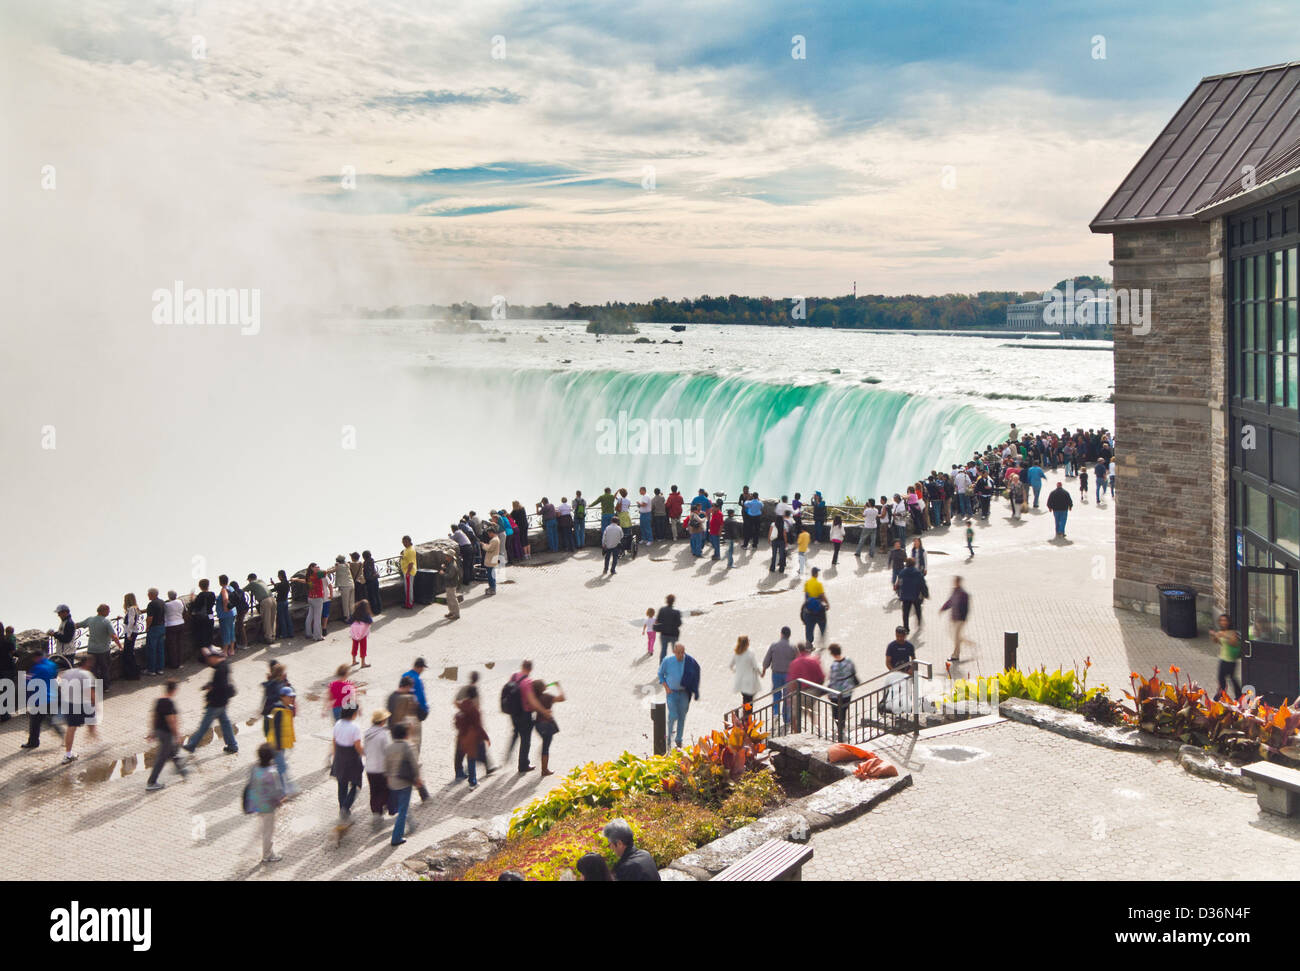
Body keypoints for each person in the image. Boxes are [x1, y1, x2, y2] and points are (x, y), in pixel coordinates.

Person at [181, 648, 239, 756]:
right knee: (225, 723)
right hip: (223, 702)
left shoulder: (220, 671)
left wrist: (210, 688)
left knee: (204, 725)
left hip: (216, 703)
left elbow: (220, 687)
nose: (209, 661)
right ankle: (232, 745)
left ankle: (192, 745)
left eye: (210, 658)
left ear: (215, 657)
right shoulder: (224, 664)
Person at [386, 675, 429, 800]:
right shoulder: (409, 698)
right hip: (407, 737)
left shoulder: (391, 697)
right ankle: (422, 791)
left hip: (395, 735)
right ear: (407, 687)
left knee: (398, 765)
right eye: (410, 688)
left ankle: (420, 791)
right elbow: (421, 715)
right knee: (411, 763)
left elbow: (389, 717)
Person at [247, 743, 287, 863]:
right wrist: (280, 800)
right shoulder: (272, 772)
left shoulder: (254, 767)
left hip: (256, 802)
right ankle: (267, 854)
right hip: (268, 806)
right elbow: (276, 791)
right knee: (268, 830)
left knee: (264, 826)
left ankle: (267, 850)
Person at [145, 679, 188, 790]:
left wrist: (153, 732)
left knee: (172, 751)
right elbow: (171, 721)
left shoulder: (159, 701)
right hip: (166, 734)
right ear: (174, 690)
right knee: (162, 758)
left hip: (159, 731)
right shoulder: (169, 703)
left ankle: (181, 769)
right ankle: (151, 782)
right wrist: (177, 735)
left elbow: (154, 717)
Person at [657, 642, 700, 749]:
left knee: (682, 716)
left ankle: (678, 739)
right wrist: (666, 687)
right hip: (672, 693)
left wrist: (694, 689)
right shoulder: (668, 661)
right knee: (673, 715)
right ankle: (668, 738)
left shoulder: (689, 661)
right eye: (678, 653)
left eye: (682, 653)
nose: (681, 655)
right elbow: (660, 673)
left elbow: (696, 672)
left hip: (684, 693)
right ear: (674, 652)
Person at [384, 722, 419, 846]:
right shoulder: (407, 746)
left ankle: (410, 825)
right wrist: (417, 778)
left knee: (401, 808)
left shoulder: (389, 747)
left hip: (392, 783)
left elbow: (386, 767)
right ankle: (396, 837)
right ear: (405, 734)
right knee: (403, 811)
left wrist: (388, 778)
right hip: (404, 783)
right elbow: (414, 764)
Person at [59, 655, 98, 762]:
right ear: (87, 663)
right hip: (80, 703)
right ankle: (94, 738)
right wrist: (94, 703)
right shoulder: (87, 675)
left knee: (71, 727)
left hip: (68, 702)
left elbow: (60, 685)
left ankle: (68, 754)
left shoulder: (68, 672)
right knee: (91, 717)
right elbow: (90, 692)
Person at [330, 705, 365, 825]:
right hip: (351, 758)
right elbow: (357, 746)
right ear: (353, 714)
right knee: (356, 784)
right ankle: (345, 808)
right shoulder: (355, 727)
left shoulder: (338, 723)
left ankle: (343, 810)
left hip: (340, 756)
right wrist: (365, 754)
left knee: (342, 785)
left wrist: (335, 755)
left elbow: (334, 740)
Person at [264, 683, 298, 796]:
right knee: (282, 767)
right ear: (282, 697)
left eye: (293, 697)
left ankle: (284, 789)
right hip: (276, 744)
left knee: (280, 766)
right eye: (290, 697)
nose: (292, 699)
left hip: (280, 744)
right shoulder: (278, 710)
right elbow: (276, 729)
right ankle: (284, 791)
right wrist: (278, 746)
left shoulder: (285, 708)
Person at [80, 603, 122, 694]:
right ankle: (105, 687)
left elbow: (78, 625)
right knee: (104, 669)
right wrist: (120, 646)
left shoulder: (90, 619)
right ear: (103, 611)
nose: (109, 612)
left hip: (91, 649)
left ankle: (94, 687)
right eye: (108, 610)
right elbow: (114, 636)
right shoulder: (106, 622)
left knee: (93, 670)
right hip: (103, 650)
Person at [760, 627, 796, 728]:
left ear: (781, 634)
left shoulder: (774, 646)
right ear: (789, 635)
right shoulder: (793, 647)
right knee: (787, 696)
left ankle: (776, 713)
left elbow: (767, 660)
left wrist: (763, 671)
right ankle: (787, 718)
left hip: (776, 673)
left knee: (776, 693)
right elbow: (796, 662)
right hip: (788, 675)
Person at [505, 660, 537, 773]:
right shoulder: (527, 682)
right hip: (524, 714)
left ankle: (509, 752)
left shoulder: (513, 676)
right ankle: (523, 765)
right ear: (530, 669)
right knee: (525, 740)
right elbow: (531, 701)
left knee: (516, 731)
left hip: (513, 712)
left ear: (522, 666)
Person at [529, 676, 564, 777]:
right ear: (542, 688)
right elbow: (562, 698)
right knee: (546, 747)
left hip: (538, 725)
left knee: (544, 745)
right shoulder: (547, 697)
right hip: (547, 725)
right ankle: (544, 770)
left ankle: (544, 767)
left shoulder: (534, 698)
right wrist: (559, 686)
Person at [786, 643, 825, 732]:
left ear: (798, 651)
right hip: (813, 692)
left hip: (800, 693)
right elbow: (822, 677)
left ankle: (796, 733)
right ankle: (817, 731)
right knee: (812, 712)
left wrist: (790, 695)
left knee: (794, 716)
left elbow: (792, 682)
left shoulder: (794, 663)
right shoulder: (814, 660)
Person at [364, 709, 392, 823]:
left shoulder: (367, 733)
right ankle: (380, 810)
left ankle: (376, 811)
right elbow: (387, 752)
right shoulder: (383, 735)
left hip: (369, 768)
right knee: (384, 790)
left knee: (374, 791)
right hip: (381, 768)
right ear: (382, 721)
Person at [826, 643, 859, 742]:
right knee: (844, 710)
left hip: (836, 694)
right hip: (848, 691)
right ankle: (842, 728)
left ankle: (840, 730)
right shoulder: (849, 661)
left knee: (836, 712)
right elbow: (854, 671)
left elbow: (832, 680)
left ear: (832, 653)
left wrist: (829, 691)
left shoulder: (834, 666)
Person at [1209, 613, 1243, 700]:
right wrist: (1214, 635)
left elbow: (1234, 643)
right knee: (1227, 678)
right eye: (1221, 620)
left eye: (1225, 620)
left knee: (1226, 678)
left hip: (1230, 660)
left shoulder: (1232, 632)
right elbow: (1217, 642)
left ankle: (1220, 696)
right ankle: (1236, 695)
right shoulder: (1221, 632)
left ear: (1229, 622)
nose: (1223, 622)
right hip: (1223, 658)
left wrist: (1223, 635)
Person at [939, 576, 973, 662]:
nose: (955, 583)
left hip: (960, 619)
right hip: (954, 618)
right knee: (955, 636)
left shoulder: (964, 594)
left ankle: (955, 655)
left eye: (956, 581)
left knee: (956, 637)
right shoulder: (955, 591)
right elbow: (950, 601)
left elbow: (966, 608)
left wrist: (963, 618)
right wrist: (943, 608)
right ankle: (970, 643)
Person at [187, 581, 215, 663]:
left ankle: (206, 658)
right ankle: (212, 655)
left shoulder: (201, 595)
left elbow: (195, 606)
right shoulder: (212, 594)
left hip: (202, 618)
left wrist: (192, 599)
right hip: (210, 616)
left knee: (203, 638)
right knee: (209, 636)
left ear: (200, 586)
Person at [730, 636, 761, 709]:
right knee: (750, 700)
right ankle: (748, 717)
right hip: (750, 681)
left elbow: (731, 666)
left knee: (745, 699)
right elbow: (756, 666)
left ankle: (745, 715)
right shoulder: (750, 653)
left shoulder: (737, 653)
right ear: (746, 643)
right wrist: (760, 673)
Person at [653, 594, 682, 662]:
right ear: (673, 601)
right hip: (673, 634)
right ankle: (676, 664)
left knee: (663, 651)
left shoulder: (662, 610)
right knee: (674, 651)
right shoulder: (676, 612)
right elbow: (679, 623)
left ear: (666, 601)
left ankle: (662, 666)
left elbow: (657, 621)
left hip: (664, 634)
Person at [247, 573, 275, 643]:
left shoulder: (252, 583)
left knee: (266, 620)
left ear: (250, 579)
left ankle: (268, 638)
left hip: (265, 601)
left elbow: (243, 590)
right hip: (272, 599)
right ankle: (273, 636)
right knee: (272, 619)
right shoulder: (261, 581)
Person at [120, 593, 142, 681]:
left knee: (128, 653)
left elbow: (131, 622)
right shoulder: (134, 608)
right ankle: (133, 673)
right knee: (130, 653)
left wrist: (128, 634)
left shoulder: (132, 609)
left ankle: (132, 673)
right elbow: (130, 619)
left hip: (131, 633)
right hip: (133, 632)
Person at [163, 590, 186, 668]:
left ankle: (174, 664)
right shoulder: (180, 602)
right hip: (181, 623)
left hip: (171, 625)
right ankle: (180, 662)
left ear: (169, 596)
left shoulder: (167, 605)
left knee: (172, 645)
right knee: (180, 644)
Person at [350, 599, 373, 666]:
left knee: (354, 646)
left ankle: (354, 661)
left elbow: (349, 621)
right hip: (363, 634)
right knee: (363, 647)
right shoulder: (366, 615)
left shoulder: (355, 613)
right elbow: (370, 621)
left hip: (354, 633)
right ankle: (363, 663)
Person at [273, 570, 294, 638]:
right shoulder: (287, 583)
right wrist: (274, 584)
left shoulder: (281, 584)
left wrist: (274, 585)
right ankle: (291, 633)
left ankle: (284, 634)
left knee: (281, 618)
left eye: (278, 576)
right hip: (285, 601)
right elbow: (278, 587)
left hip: (280, 602)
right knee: (287, 618)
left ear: (280, 576)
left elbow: (275, 589)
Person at [480, 527, 501, 595]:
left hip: (491, 560)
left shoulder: (494, 540)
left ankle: (492, 589)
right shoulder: (495, 539)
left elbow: (489, 549)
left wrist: (483, 545)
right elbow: (490, 547)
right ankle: (492, 588)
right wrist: (486, 545)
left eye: (489, 533)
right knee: (492, 575)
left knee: (490, 576)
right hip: (493, 559)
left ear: (492, 533)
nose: (488, 535)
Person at [400, 535, 417, 609]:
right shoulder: (407, 549)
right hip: (407, 571)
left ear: (409, 541)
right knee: (407, 588)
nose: (403, 543)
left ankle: (409, 603)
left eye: (405, 542)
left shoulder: (410, 551)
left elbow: (411, 563)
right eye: (403, 542)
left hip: (409, 572)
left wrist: (407, 573)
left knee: (408, 589)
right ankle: (408, 602)